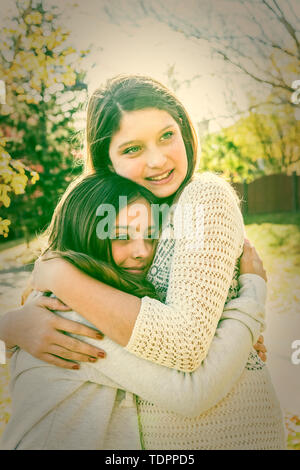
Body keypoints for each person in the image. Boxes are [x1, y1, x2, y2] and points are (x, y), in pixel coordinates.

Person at [0, 74, 285, 449]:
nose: (158, 160)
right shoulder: (130, 221)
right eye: (133, 149)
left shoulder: (202, 197)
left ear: (184, 130)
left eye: (167, 135)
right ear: (106, 162)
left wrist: (58, 275)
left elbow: (184, 344)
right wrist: (14, 325)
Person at [1, 172, 269, 450]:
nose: (142, 251)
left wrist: (225, 335)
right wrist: (251, 297)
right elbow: (193, 392)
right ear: (83, 236)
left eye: (150, 235)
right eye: (121, 237)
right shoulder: (71, 314)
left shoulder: (87, 302)